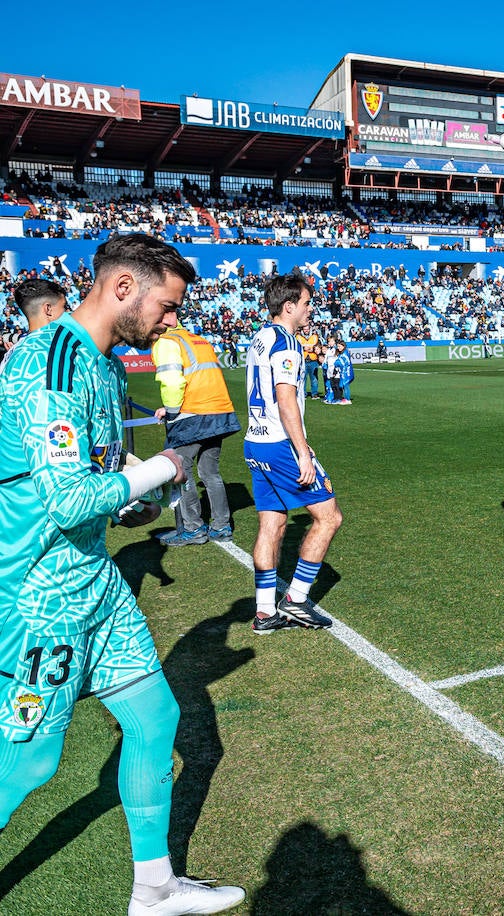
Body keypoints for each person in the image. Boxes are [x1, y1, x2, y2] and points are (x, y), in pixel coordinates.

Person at [0, 234, 244, 914]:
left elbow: (94, 484)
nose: (172, 322)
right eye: (167, 308)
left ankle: (155, 889)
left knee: (155, 717)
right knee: (28, 763)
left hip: (93, 583)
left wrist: (133, 498)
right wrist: (167, 466)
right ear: (123, 288)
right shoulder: (47, 365)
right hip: (36, 596)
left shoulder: (107, 368)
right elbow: (65, 498)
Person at [245, 275, 341, 634]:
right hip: (280, 444)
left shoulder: (259, 337)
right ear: (288, 306)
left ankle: (265, 611)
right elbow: (285, 399)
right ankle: (297, 599)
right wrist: (302, 450)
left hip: (255, 441)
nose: (310, 308)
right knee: (329, 517)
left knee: (272, 523)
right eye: (305, 303)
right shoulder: (286, 342)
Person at [151, 321, 242, 546]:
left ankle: (193, 529)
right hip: (219, 412)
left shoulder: (167, 342)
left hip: (194, 414)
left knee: (182, 470)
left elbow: (173, 383)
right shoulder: (198, 339)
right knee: (210, 472)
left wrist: (171, 412)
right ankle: (221, 526)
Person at [296, 321, 322, 399]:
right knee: (303, 379)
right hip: (303, 360)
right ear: (302, 329)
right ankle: (303, 394)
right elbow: (296, 346)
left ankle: (314, 394)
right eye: (305, 329)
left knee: (314, 378)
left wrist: (313, 349)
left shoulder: (315, 336)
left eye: (307, 329)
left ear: (310, 329)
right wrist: (304, 348)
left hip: (313, 360)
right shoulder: (298, 337)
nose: (306, 330)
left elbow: (319, 346)